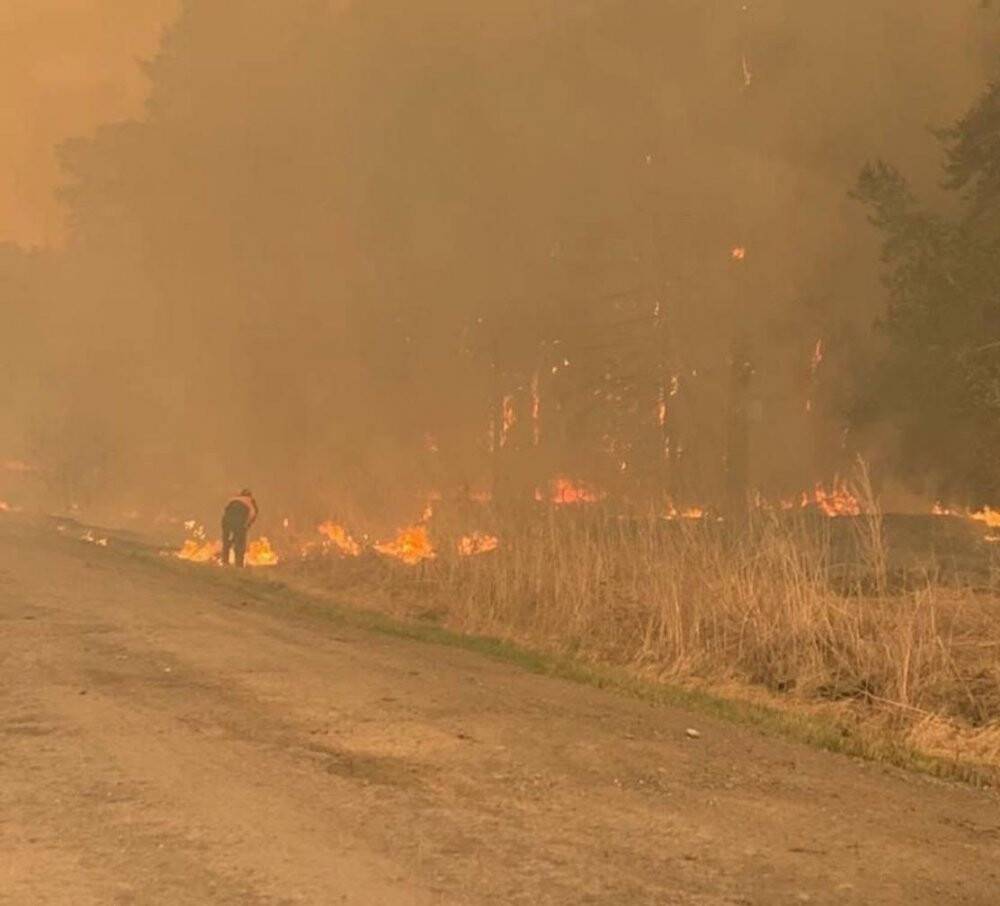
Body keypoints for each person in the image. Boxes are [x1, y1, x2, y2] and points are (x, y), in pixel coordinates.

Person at [221, 488, 258, 567]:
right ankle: (239, 564)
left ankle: (225, 562)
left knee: (226, 542)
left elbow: (225, 511)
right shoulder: (251, 500)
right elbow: (253, 514)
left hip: (226, 520)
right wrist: (246, 525)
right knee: (240, 543)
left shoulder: (233, 499)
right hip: (239, 520)